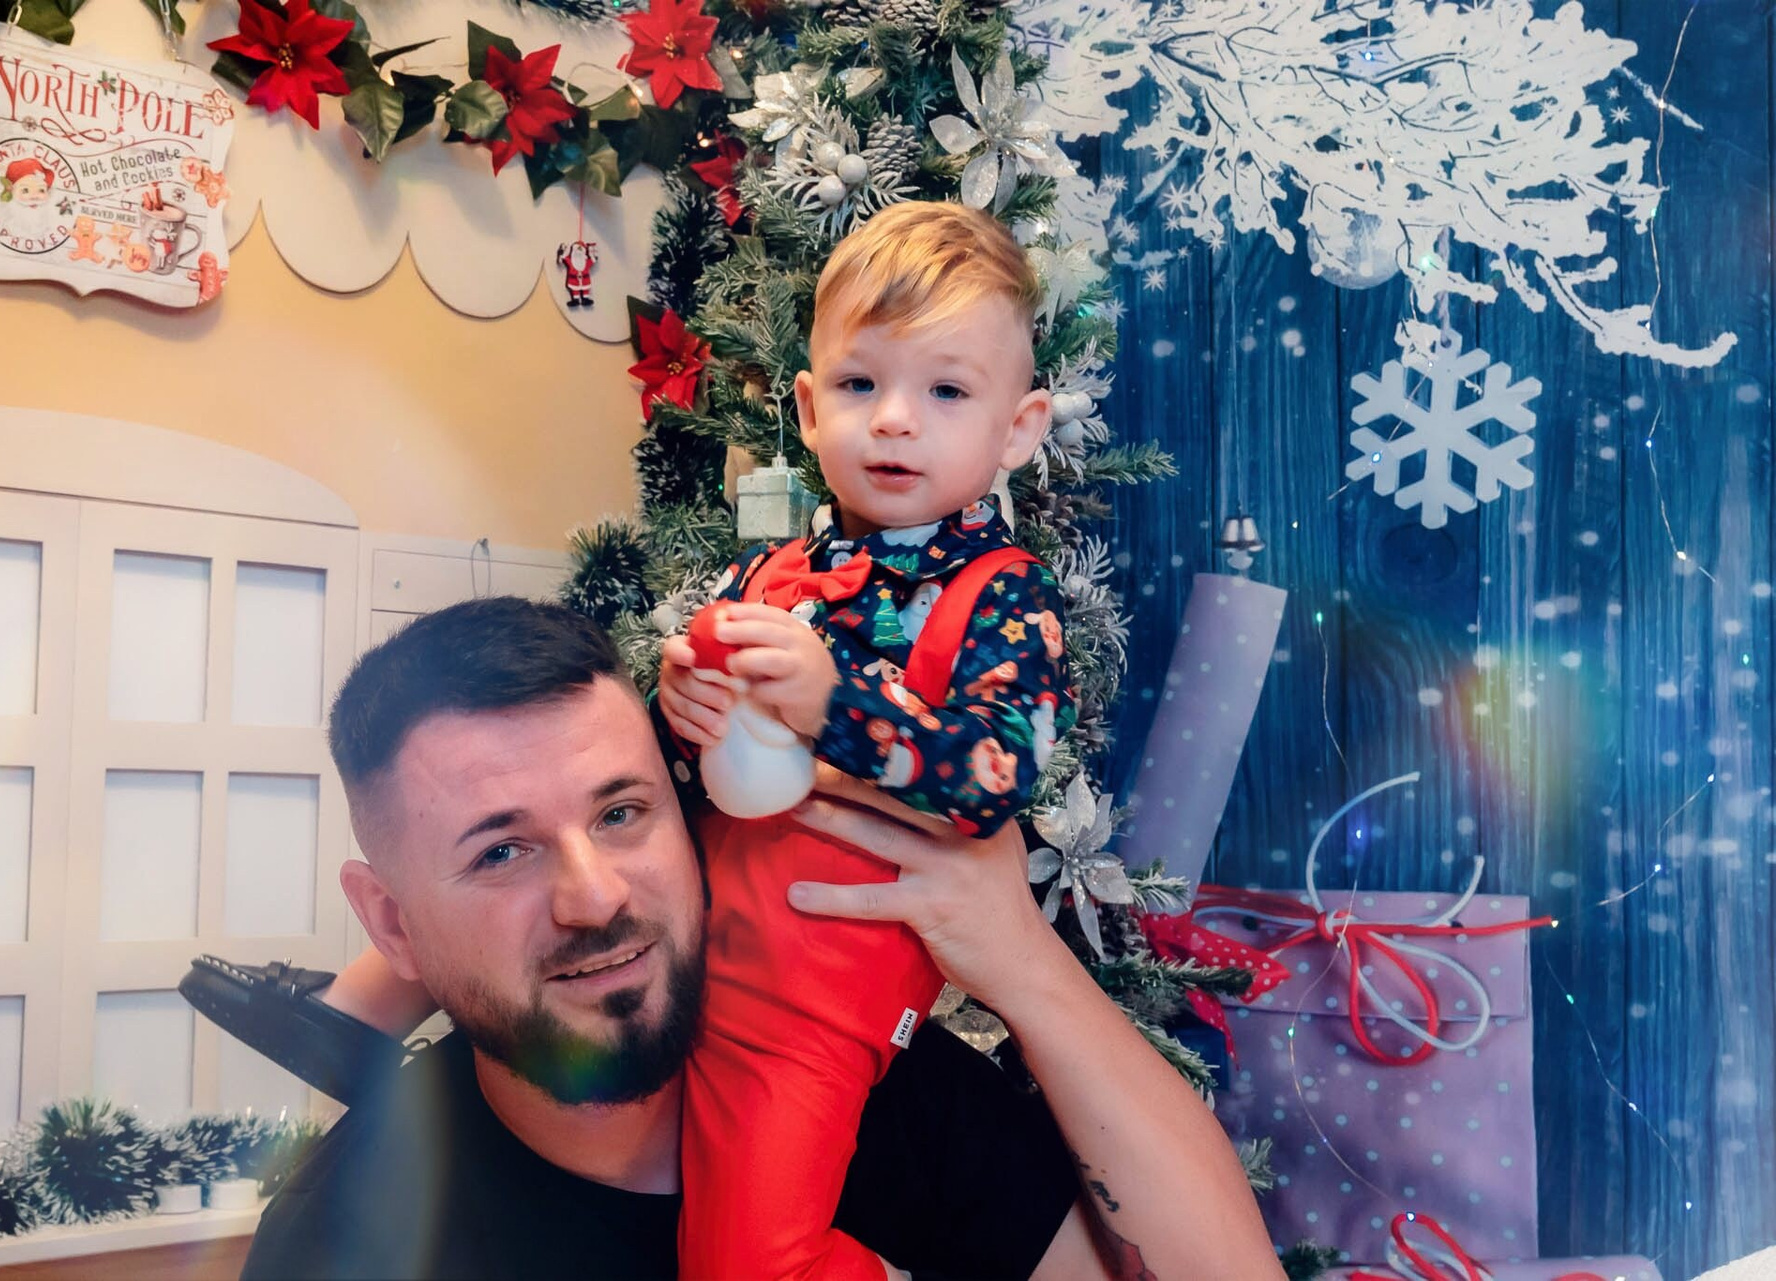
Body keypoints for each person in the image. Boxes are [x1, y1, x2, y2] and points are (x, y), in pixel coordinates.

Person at [235, 596, 1278, 1280]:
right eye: (502, 852)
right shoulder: (343, 1239)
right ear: (392, 923)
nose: (594, 896)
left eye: (621, 813)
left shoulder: (882, 1099)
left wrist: (1023, 962)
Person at [651, 201, 1077, 1280]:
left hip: (809, 998)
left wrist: (835, 702)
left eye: (945, 391)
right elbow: (695, 764)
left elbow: (991, 778)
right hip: (686, 954)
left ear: (1017, 429)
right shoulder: (767, 571)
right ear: (807, 407)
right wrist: (682, 706)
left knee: (747, 1266)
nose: (893, 420)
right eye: (858, 384)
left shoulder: (1006, 596)